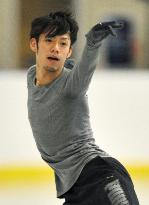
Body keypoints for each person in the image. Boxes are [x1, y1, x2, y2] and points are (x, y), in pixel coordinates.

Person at [27, 11, 139, 205]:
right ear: (34, 44)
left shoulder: (71, 86)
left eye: (63, 43)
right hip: (73, 188)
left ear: (69, 51)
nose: (56, 48)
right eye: (49, 40)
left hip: (100, 176)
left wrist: (93, 44)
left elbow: (83, 72)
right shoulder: (31, 77)